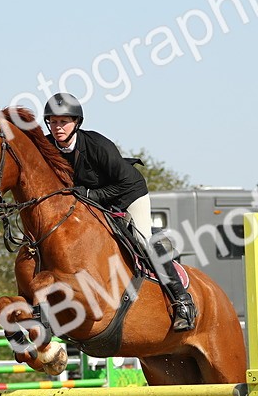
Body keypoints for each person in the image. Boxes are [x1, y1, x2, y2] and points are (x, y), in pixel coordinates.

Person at [43, 92, 196, 332]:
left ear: (76, 123)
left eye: (64, 121)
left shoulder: (97, 145)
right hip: (88, 203)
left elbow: (124, 183)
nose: (57, 127)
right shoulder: (47, 147)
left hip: (128, 194)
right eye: (53, 121)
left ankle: (181, 301)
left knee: (142, 239)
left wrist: (91, 195)